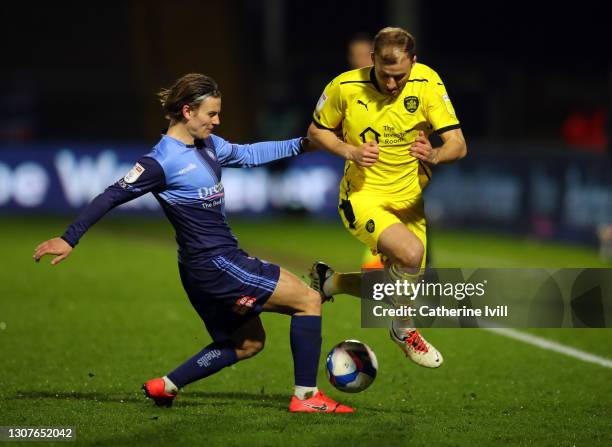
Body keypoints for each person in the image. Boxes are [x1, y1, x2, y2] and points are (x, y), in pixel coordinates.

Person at [32, 73, 352, 413]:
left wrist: (303, 143)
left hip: (199, 269)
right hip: (217, 265)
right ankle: (306, 398)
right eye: (211, 114)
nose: (217, 121)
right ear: (187, 111)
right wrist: (70, 238)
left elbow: (247, 154)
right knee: (307, 299)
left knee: (247, 343)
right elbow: (112, 195)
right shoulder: (161, 161)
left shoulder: (207, 145)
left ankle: (166, 385)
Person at [307, 27, 467, 368]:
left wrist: (435, 155)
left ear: (414, 61)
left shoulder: (428, 83)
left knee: (399, 290)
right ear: (372, 60)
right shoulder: (345, 87)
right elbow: (316, 131)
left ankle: (330, 282)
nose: (392, 85)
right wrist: (350, 151)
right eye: (384, 75)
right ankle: (403, 330)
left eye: (400, 77)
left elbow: (458, 144)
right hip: (363, 196)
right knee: (411, 254)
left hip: (410, 202)